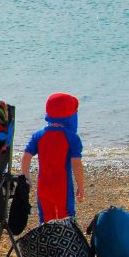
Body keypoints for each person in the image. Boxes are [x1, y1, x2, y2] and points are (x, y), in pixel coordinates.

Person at [20, 92, 85, 223]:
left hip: (43, 186)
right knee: (66, 217)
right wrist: (81, 186)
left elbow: (26, 156)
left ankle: (46, 242)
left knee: (44, 218)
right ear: (70, 116)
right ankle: (64, 242)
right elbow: (76, 164)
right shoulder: (72, 138)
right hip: (63, 187)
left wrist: (26, 179)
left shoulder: (38, 136)